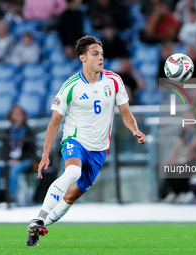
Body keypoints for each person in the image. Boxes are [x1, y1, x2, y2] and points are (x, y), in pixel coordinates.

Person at [25, 35, 146, 246]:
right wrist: (45, 154)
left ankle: (37, 228)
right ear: (82, 58)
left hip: (100, 148)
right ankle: (40, 216)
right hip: (75, 139)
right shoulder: (70, 87)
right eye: (95, 53)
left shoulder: (115, 81)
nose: (101, 58)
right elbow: (54, 123)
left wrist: (135, 130)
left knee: (71, 198)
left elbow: (126, 114)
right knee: (72, 172)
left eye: (102, 54)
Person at [0, 105, 36, 205]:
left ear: (23, 116)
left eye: (19, 114)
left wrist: (19, 160)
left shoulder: (29, 132)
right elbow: (4, 150)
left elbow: (32, 152)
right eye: (15, 114)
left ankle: (11, 198)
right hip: (9, 159)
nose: (17, 117)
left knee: (15, 169)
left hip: (25, 160)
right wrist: (6, 160)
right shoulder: (8, 132)